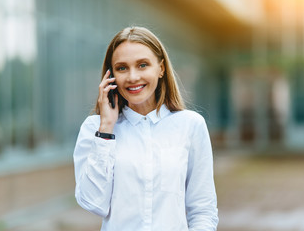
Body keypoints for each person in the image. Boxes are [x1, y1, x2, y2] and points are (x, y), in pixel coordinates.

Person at [73, 26, 218, 231]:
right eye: (122, 68)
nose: (132, 77)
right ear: (110, 75)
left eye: (142, 65)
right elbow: (93, 203)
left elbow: (203, 209)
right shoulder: (94, 129)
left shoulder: (190, 125)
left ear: (161, 68)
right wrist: (106, 130)